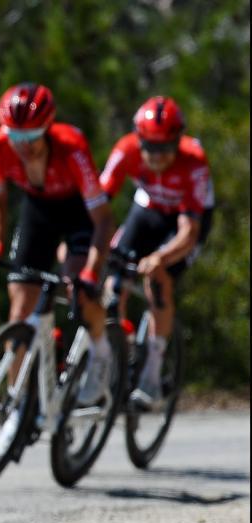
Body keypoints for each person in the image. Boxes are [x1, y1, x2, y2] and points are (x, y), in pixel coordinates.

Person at [0, 83, 116, 461]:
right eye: (15, 135)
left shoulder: (72, 147)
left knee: (80, 289)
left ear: (48, 128)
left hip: (79, 215)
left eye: (32, 136)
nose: (23, 144)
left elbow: (102, 219)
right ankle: (18, 407)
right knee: (19, 307)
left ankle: (101, 351)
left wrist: (91, 269)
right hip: (38, 213)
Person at [100, 96, 214, 407]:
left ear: (178, 141)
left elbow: (188, 233)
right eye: (149, 146)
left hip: (184, 220)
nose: (156, 155)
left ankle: (152, 372)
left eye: (164, 148)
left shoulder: (194, 161)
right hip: (148, 208)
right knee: (113, 281)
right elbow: (96, 204)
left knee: (157, 280)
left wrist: (160, 258)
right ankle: (116, 357)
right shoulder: (125, 150)